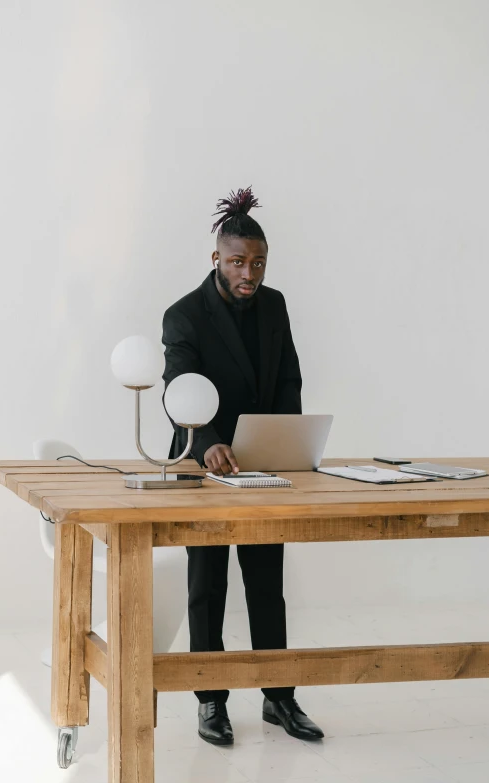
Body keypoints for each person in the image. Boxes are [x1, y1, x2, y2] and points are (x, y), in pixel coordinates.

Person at [162, 187, 323, 746]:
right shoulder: (182, 315)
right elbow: (177, 388)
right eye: (237, 262)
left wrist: (285, 438)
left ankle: (279, 697)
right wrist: (207, 441)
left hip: (260, 462)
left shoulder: (274, 304)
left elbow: (287, 378)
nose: (248, 272)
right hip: (200, 463)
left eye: (257, 262)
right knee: (208, 585)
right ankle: (211, 701)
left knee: (266, 582)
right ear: (216, 259)